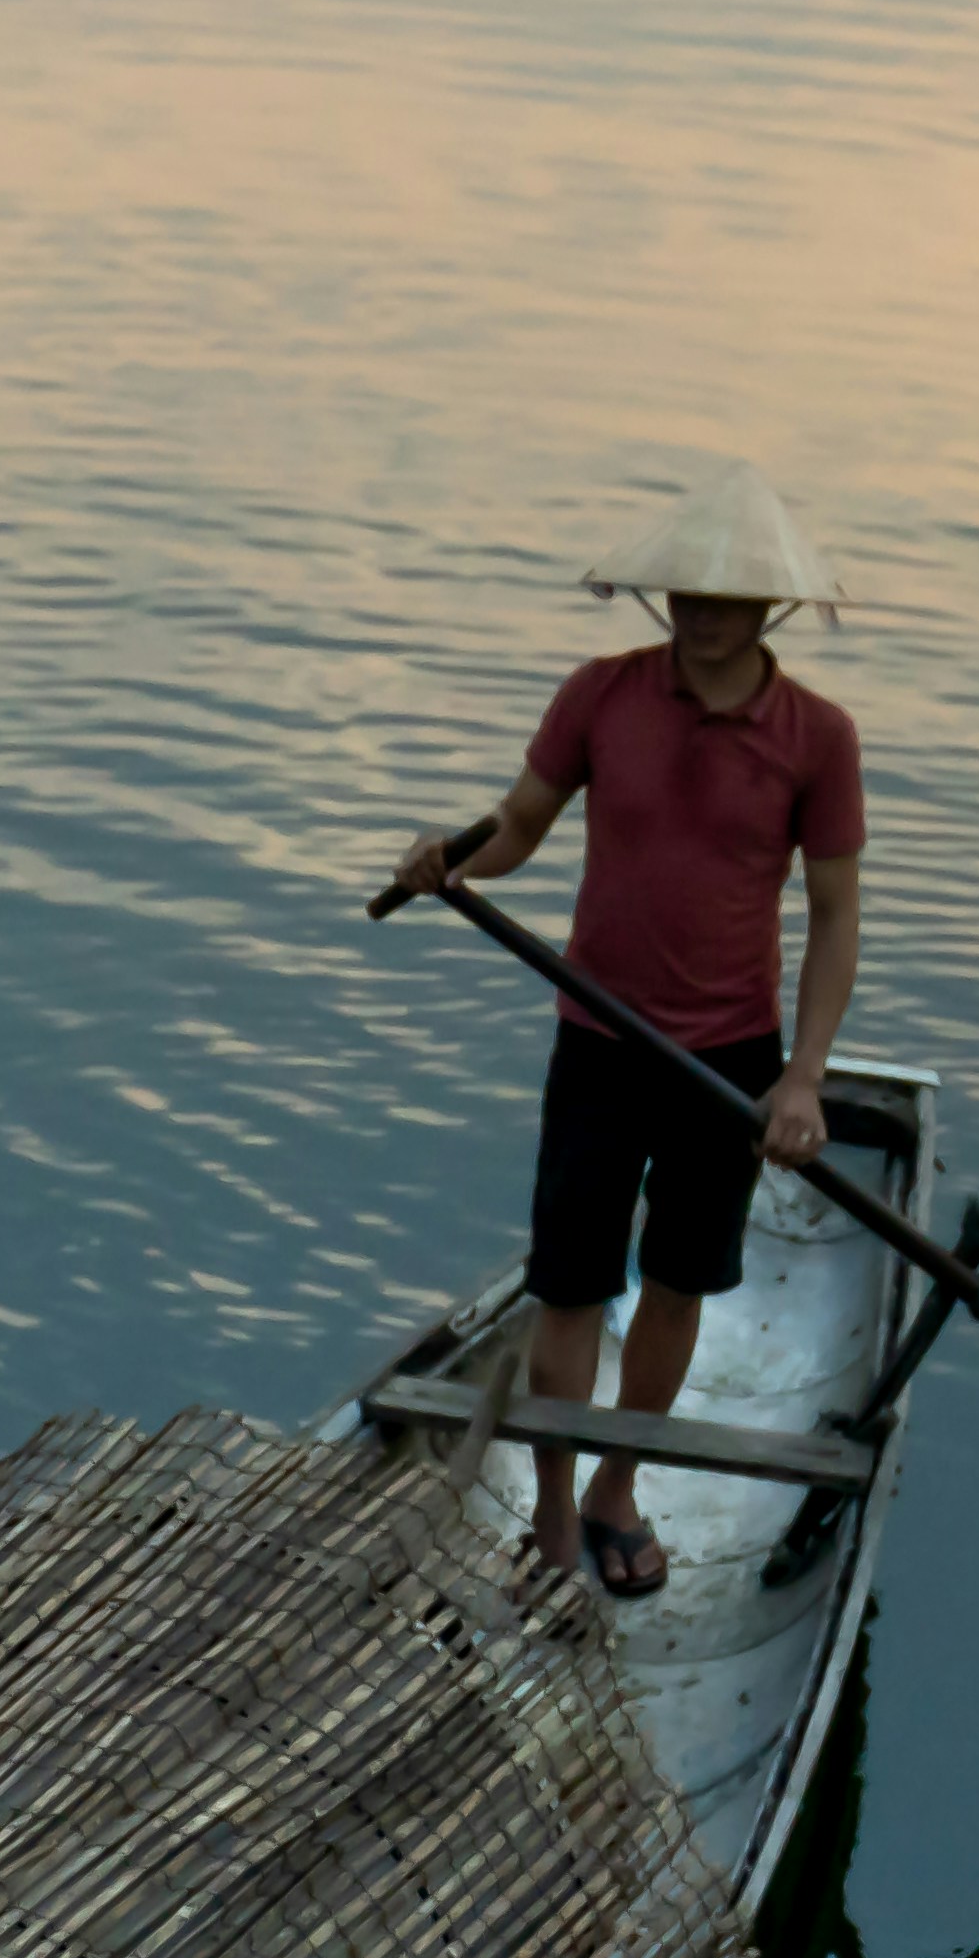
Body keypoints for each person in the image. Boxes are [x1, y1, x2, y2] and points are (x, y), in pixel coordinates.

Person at [374, 460, 867, 1606]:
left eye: (728, 597)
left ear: (770, 610)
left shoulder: (819, 736)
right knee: (569, 1286)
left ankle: (616, 1488)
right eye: (685, 591)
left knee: (679, 1282)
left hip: (727, 1059)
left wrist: (802, 1080)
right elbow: (522, 826)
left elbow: (837, 918)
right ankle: (550, 1509)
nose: (702, 614)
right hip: (597, 1040)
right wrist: (452, 860)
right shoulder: (599, 694)